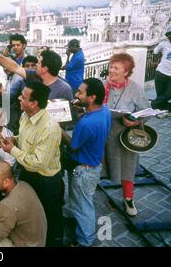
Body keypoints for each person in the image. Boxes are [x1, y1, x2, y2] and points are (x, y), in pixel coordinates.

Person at [0, 81, 63, 247]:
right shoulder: (25, 115)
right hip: (28, 173)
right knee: (31, 211)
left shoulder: (49, 128)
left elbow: (38, 163)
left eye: (24, 97)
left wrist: (12, 150)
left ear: (34, 103)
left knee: (50, 215)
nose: (19, 98)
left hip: (46, 179)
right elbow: (26, 139)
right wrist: (15, 140)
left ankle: (53, 242)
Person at [61, 78, 111, 247]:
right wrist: (82, 109)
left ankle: (85, 241)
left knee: (83, 208)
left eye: (80, 92)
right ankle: (81, 229)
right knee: (83, 203)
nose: (76, 94)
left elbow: (73, 146)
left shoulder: (86, 123)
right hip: (93, 166)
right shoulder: (104, 112)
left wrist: (59, 130)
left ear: (92, 97)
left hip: (83, 170)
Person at [103, 53, 151, 216]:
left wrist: (136, 122)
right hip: (105, 133)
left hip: (125, 137)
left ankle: (128, 199)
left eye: (116, 68)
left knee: (127, 168)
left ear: (126, 71)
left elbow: (146, 112)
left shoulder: (135, 88)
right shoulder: (104, 85)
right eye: (111, 66)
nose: (111, 70)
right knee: (101, 164)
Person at [151, 24, 171, 111]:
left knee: (169, 94)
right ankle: (163, 109)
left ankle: (151, 106)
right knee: (160, 95)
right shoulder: (163, 44)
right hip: (161, 73)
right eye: (169, 34)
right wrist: (154, 61)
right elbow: (155, 52)